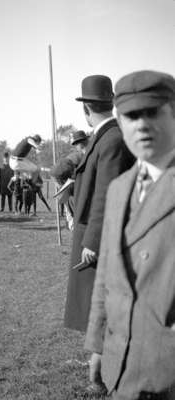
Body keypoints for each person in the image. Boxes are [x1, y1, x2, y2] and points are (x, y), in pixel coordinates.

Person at [85, 70, 175, 400]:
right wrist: (97, 345)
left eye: (152, 112)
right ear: (119, 123)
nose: (141, 124)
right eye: (131, 115)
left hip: (165, 372)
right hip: (120, 362)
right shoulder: (120, 188)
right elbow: (106, 275)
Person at [64, 75, 135, 332]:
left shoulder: (111, 139)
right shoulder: (106, 136)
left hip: (99, 238)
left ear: (85, 109)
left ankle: (105, 359)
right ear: (111, 103)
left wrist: (92, 240)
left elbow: (107, 194)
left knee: (102, 306)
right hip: (95, 232)